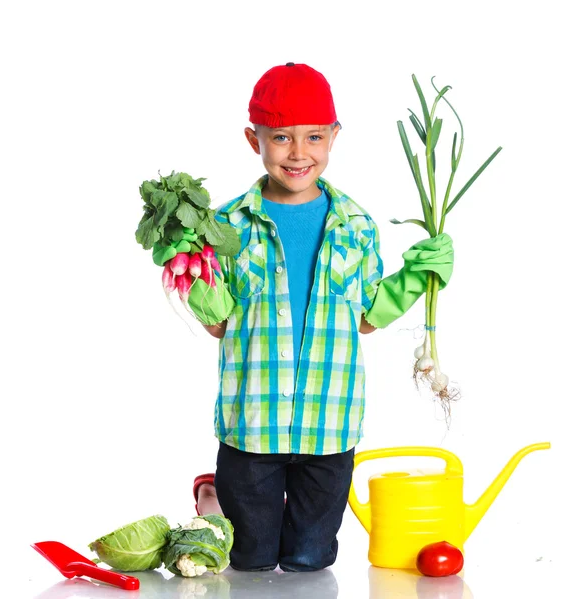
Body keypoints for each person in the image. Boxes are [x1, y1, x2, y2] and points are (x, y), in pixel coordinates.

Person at [159, 62, 454, 572]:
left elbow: (365, 317)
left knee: (310, 561)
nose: (299, 154)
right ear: (254, 140)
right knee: (249, 560)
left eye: (314, 137)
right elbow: (218, 324)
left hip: (329, 425)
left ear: (334, 136)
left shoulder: (356, 225)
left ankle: (269, 517)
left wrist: (415, 277)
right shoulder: (226, 225)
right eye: (281, 138)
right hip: (250, 426)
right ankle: (212, 496)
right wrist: (189, 265)